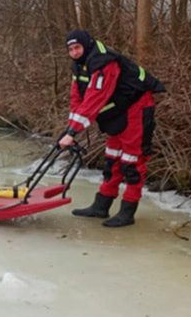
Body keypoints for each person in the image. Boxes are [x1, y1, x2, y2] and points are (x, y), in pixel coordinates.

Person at [57, 30, 165, 227]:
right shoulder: (80, 66)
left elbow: (96, 97)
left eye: (77, 48)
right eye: (70, 49)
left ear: (86, 45)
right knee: (112, 159)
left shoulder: (104, 62)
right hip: (118, 112)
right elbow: (77, 99)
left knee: (132, 162)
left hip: (136, 107)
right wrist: (69, 129)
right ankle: (101, 205)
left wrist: (74, 133)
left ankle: (127, 212)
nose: (74, 52)